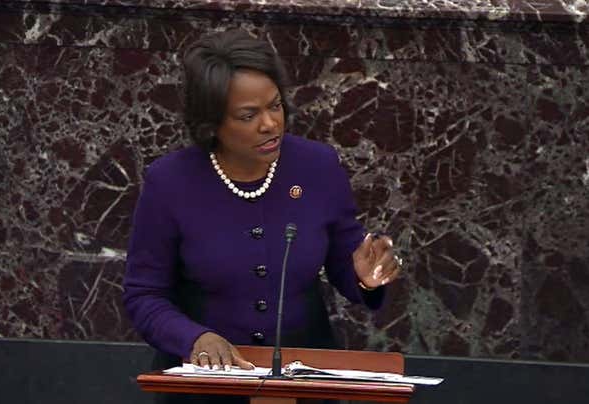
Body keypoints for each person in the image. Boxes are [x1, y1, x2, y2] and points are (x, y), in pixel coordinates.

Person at [122, 29, 402, 403]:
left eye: (275, 106)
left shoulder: (317, 167)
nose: (270, 124)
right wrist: (194, 338)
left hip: (304, 384)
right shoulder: (169, 182)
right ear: (212, 123)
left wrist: (366, 277)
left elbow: (344, 260)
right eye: (248, 114)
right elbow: (145, 294)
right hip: (205, 389)